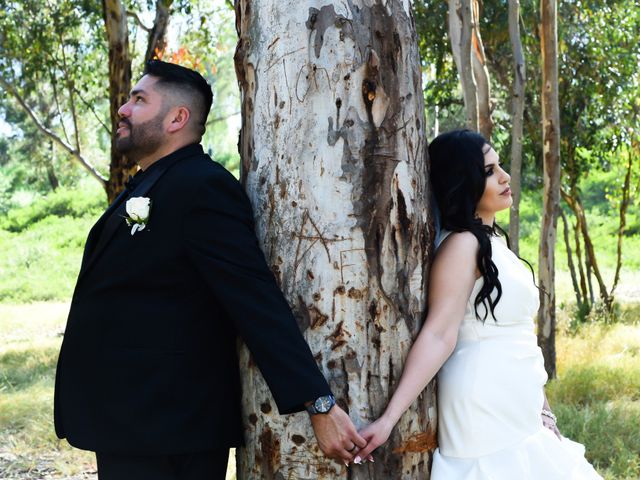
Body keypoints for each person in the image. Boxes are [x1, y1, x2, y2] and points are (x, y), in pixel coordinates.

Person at [54, 60, 366, 480]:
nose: (124, 109)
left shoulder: (203, 187)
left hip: (170, 429)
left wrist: (319, 402)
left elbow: (253, 297)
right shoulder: (150, 183)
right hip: (131, 423)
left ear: (177, 118)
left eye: (139, 100)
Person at [355, 129, 602, 478]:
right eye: (488, 171)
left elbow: (520, 338)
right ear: (462, 181)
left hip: (518, 399)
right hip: (482, 402)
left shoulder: (493, 243)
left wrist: (542, 408)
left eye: (500, 166)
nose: (504, 177)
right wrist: (388, 420)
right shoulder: (462, 246)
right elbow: (440, 334)